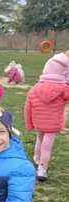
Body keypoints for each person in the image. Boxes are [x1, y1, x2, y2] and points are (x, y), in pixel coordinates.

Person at [25, 52, 69, 180]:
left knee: (40, 139)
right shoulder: (64, 89)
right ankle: (42, 170)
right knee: (47, 146)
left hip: (38, 122)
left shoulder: (34, 88)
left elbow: (28, 107)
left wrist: (29, 123)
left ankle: (37, 158)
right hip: (53, 124)